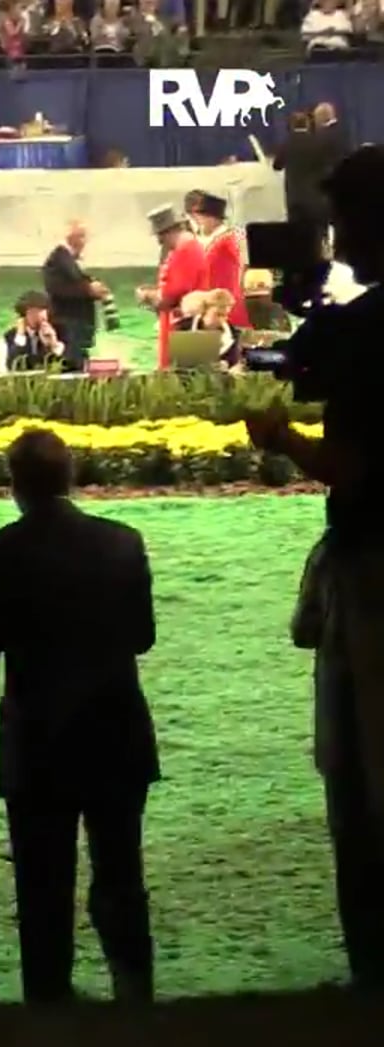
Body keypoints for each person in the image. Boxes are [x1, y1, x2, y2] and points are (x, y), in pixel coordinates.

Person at [246, 145, 384, 993]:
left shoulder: (367, 333)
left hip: (374, 576)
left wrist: (287, 441)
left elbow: (359, 463)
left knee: (361, 770)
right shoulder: (361, 325)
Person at [0, 429, 157, 1003]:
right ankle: (135, 993)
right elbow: (142, 637)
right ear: (69, 477)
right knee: (121, 872)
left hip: (39, 738)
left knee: (42, 881)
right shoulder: (123, 543)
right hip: (114, 730)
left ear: (15, 484)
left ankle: (47, 1001)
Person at [136, 205, 205, 372]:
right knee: (195, 378)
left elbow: (173, 294)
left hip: (188, 327)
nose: (160, 241)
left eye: (160, 236)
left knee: (185, 379)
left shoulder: (185, 251)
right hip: (192, 325)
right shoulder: (187, 248)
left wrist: (148, 297)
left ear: (168, 231)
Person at [272, 102, 350, 247]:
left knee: (297, 239)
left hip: (294, 200)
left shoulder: (287, 143)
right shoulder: (317, 142)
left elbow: (276, 166)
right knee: (320, 237)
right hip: (316, 200)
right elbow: (326, 166)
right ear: (307, 124)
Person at [41, 220, 109, 366]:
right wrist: (89, 290)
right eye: (82, 237)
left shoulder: (68, 260)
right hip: (69, 326)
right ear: (72, 238)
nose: (84, 242)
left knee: (80, 363)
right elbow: (56, 288)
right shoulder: (57, 259)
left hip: (78, 327)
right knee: (73, 365)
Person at [185, 190, 249, 330]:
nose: (195, 221)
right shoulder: (199, 239)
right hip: (202, 306)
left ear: (211, 217)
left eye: (198, 216)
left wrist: (240, 286)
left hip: (224, 306)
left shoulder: (228, 237)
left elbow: (245, 261)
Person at [4, 293, 67, 371]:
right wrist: (21, 335)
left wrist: (53, 345)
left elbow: (69, 364)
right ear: (24, 316)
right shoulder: (13, 335)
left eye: (41, 311)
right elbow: (12, 366)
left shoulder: (60, 330)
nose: (38, 316)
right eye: (33, 312)